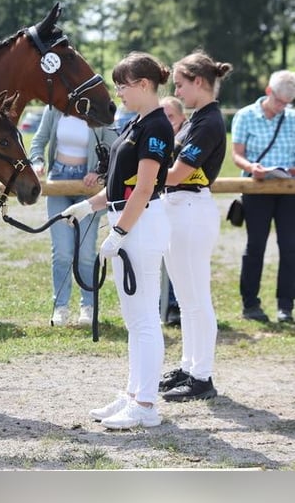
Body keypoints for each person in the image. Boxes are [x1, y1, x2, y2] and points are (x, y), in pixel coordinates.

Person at [62, 52, 174, 430]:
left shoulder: (156, 127)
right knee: (134, 318)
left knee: (144, 319)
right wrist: (88, 206)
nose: (119, 93)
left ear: (144, 85)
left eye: (123, 85)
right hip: (128, 220)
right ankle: (133, 394)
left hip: (140, 224)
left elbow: (144, 189)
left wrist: (120, 232)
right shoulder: (134, 123)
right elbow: (117, 185)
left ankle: (146, 404)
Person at [158, 50, 233, 403]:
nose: (178, 91)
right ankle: (189, 367)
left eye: (180, 85)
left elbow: (178, 173)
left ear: (198, 82)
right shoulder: (195, 119)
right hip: (179, 208)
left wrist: (143, 177)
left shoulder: (209, 122)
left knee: (197, 298)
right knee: (187, 300)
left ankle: (202, 376)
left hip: (190, 206)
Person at [29, 105, 118, 326]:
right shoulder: (55, 109)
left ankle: (87, 306)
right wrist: (38, 162)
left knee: (86, 252)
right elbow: (38, 142)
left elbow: (112, 148)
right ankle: (60, 307)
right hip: (58, 179)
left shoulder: (100, 109)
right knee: (61, 252)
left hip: (88, 186)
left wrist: (98, 171)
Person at [230, 70, 295, 323]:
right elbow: (237, 155)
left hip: (288, 190)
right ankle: (250, 303)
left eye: (287, 103)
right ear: (269, 92)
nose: (282, 107)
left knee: (290, 248)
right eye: (279, 101)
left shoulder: (292, 118)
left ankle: (285, 306)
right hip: (256, 188)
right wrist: (251, 168)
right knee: (255, 246)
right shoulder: (245, 116)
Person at [159, 95, 189, 327]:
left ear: (182, 118)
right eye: (163, 116)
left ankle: (175, 305)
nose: (167, 121)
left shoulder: (184, 141)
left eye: (171, 116)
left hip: (180, 202)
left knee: (178, 256)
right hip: (157, 202)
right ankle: (163, 303)